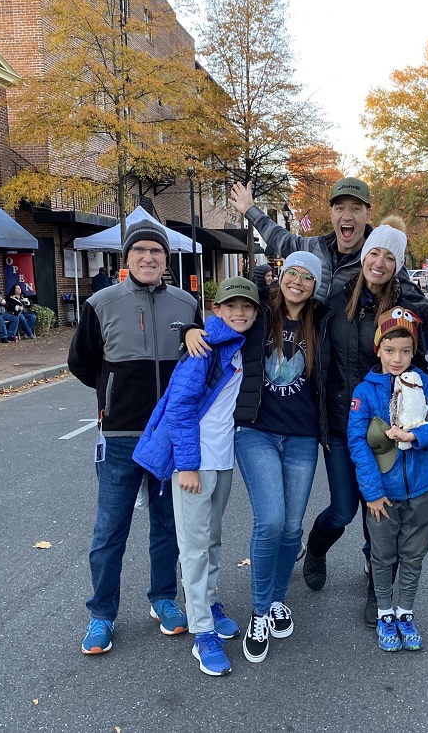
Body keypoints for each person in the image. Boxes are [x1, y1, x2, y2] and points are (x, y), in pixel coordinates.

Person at [68, 219, 203, 655]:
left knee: (167, 524)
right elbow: (82, 363)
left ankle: (163, 598)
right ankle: (102, 614)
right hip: (121, 435)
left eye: (156, 251)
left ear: (167, 259)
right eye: (140, 251)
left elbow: (200, 363)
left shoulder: (186, 303)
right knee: (110, 528)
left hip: (167, 438)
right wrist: (113, 396)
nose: (148, 257)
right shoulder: (101, 303)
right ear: (126, 258)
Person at [302, 221, 428, 625]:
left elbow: (419, 360)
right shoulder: (336, 299)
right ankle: (317, 547)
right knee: (343, 510)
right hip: (340, 423)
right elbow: (290, 314)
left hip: (388, 430)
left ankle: (379, 591)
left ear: (397, 265)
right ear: (364, 254)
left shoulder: (403, 307)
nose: (380, 262)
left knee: (382, 510)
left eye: (390, 256)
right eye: (375, 253)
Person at [134, 277, 260, 676]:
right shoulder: (203, 346)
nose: (240, 313)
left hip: (221, 461)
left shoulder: (237, 344)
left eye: (248, 307)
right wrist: (186, 465)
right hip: (195, 463)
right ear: (216, 309)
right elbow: (181, 407)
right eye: (232, 306)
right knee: (193, 546)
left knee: (213, 539)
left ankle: (208, 601)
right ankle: (202, 631)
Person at [224, 252, 331, 664]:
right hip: (257, 432)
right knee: (269, 521)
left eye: (307, 277)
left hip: (302, 437)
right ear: (280, 275)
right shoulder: (260, 315)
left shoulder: (321, 322)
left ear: (314, 285)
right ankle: (259, 610)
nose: (298, 282)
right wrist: (190, 335)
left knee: (291, 528)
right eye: (293, 274)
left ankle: (277, 599)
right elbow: (225, 323)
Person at [347, 308, 428, 651]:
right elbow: (358, 444)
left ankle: (405, 613)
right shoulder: (364, 393)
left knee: (413, 555)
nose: (398, 358)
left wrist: (416, 436)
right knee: (383, 557)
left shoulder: (422, 383)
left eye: (406, 351)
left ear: (415, 353)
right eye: (391, 350)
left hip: (422, 489)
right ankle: (384, 614)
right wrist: (372, 493)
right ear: (378, 349)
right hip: (384, 494)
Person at [228, 177, 428, 343]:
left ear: (368, 214)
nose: (347, 216)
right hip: (312, 354)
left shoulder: (380, 260)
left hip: (355, 366)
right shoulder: (313, 247)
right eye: (340, 208)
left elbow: (418, 303)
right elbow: (280, 239)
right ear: (332, 213)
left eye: (355, 209)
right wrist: (249, 209)